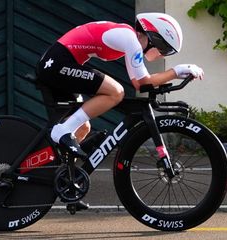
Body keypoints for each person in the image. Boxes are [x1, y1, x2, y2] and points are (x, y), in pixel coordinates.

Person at [36, 12, 204, 157]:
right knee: (115, 92)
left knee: (82, 128)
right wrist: (177, 71)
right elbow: (144, 82)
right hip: (58, 64)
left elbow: (140, 84)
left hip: (59, 63)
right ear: (155, 38)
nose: (161, 54)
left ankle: (57, 172)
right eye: (163, 48)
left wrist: (175, 74)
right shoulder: (130, 40)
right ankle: (61, 131)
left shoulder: (128, 38)